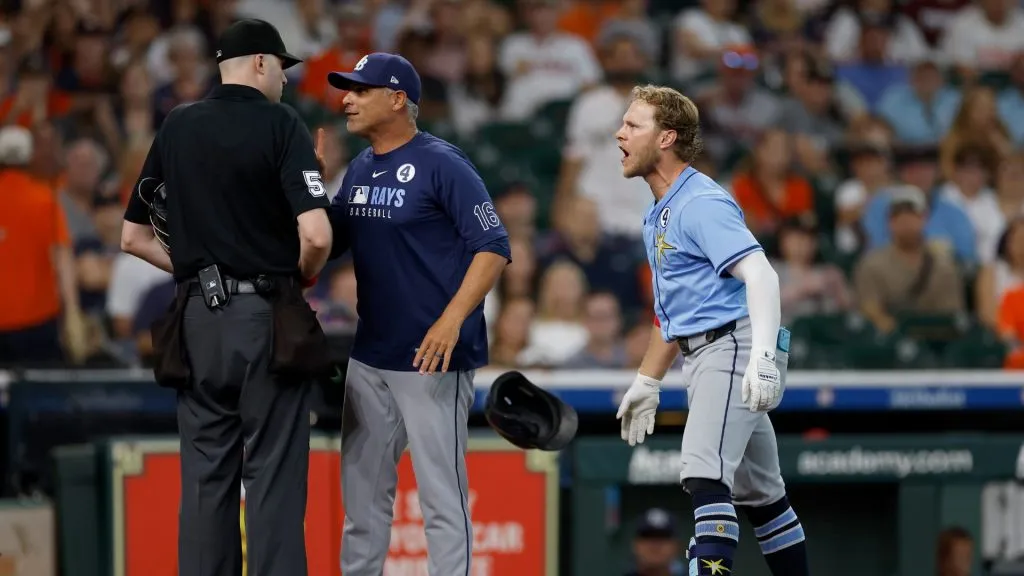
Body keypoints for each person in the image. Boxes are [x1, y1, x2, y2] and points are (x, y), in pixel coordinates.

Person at [119, 19, 333, 576]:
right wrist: (296, 275)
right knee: (272, 477)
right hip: (264, 318)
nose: (283, 79)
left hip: (196, 321)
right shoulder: (280, 123)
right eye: (281, 67)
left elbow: (132, 237)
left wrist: (201, 270)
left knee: (205, 479)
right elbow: (316, 236)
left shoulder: (178, 124)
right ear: (260, 62)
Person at [324, 53, 511, 575]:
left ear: (397, 99)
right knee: (362, 503)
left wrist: (452, 320)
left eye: (361, 90)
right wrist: (309, 191)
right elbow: (328, 243)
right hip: (370, 354)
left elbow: (493, 246)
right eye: (347, 90)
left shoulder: (442, 163)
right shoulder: (360, 167)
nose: (347, 99)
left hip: (433, 358)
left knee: (442, 502)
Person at [613, 84, 810, 576]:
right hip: (710, 348)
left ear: (666, 137)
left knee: (704, 475)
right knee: (764, 496)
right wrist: (648, 380)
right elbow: (672, 314)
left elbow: (762, 275)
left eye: (633, 124)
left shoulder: (700, 201)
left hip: (733, 345)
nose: (620, 133)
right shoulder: (660, 210)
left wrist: (763, 358)